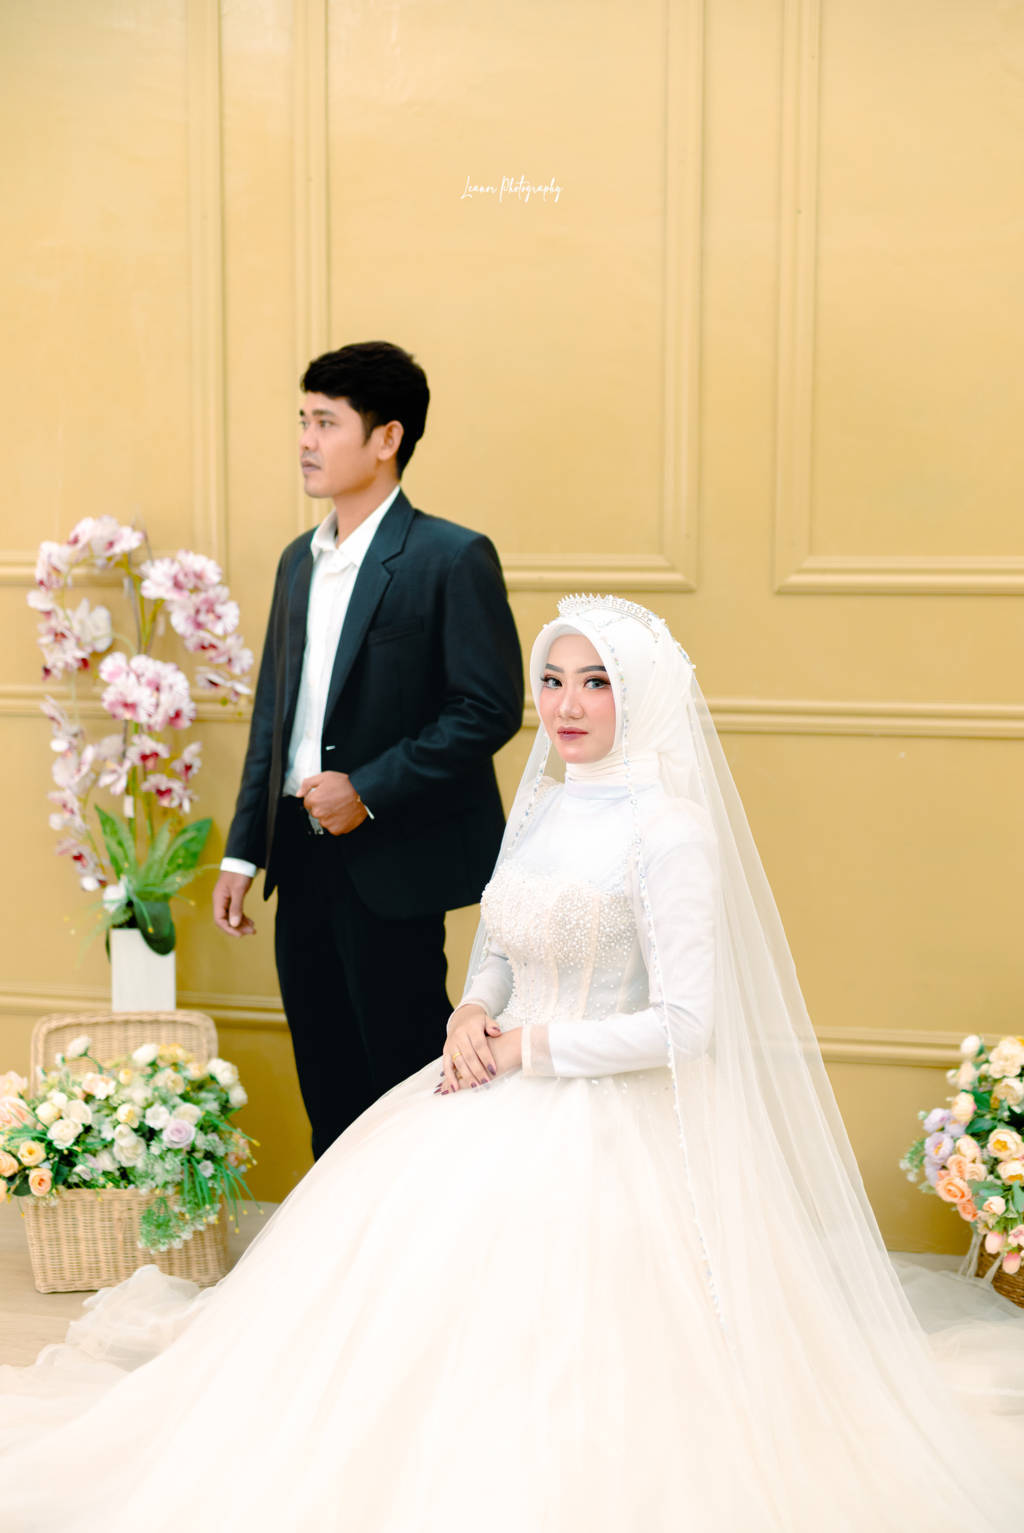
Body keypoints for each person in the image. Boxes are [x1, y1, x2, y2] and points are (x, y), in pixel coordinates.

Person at [3, 594, 1024, 1530]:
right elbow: (498, 942)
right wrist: (472, 1011)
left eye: (597, 682)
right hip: (485, 1076)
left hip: (606, 1112)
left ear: (642, 695)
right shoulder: (542, 808)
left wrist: (525, 1045)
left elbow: (685, 1026)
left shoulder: (671, 834)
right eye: (553, 680)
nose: (567, 705)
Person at [212, 341, 523, 1157]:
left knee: (409, 1083)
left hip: (394, 861)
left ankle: (423, 1236)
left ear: (387, 437)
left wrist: (369, 788)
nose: (305, 440)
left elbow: (488, 707)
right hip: (298, 856)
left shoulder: (451, 556)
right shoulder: (298, 561)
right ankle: (340, 1241)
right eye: (302, 420)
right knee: (327, 1083)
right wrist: (243, 851)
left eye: (326, 422)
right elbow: (274, 717)